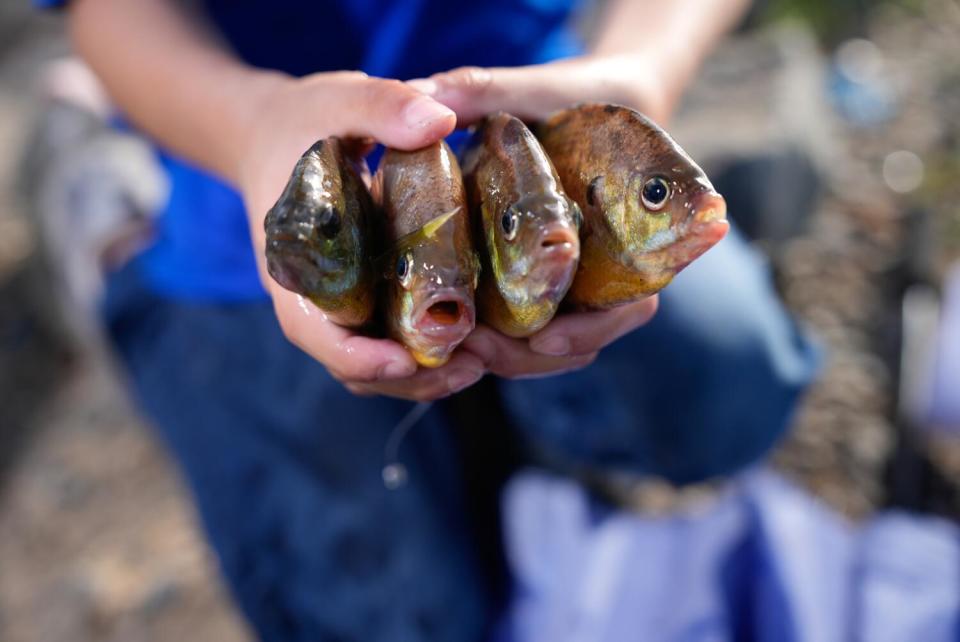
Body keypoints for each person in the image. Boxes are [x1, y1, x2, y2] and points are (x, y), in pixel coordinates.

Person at [45, 0, 820, 640]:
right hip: (238, 189)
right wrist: (249, 131)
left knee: (731, 391)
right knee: (379, 620)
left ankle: (509, 415)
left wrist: (641, 73)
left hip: (534, 127)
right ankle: (113, 224)